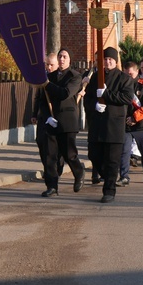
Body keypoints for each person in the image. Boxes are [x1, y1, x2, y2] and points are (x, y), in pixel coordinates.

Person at [84, 47, 134, 203]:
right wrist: (94, 105)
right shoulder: (96, 78)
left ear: (116, 61)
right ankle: (109, 177)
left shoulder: (124, 79)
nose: (107, 62)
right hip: (97, 124)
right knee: (94, 155)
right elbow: (88, 98)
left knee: (112, 160)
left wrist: (106, 94)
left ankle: (109, 190)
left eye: (110, 59)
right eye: (105, 59)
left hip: (114, 125)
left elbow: (126, 98)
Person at [32, 50, 85, 197]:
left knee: (69, 154)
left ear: (69, 60)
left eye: (65, 57)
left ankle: (79, 172)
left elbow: (65, 93)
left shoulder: (75, 77)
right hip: (51, 121)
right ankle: (52, 185)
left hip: (67, 121)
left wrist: (48, 85)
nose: (62, 59)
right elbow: (42, 99)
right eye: (60, 56)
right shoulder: (49, 77)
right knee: (50, 156)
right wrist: (47, 116)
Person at [118, 62, 143, 186]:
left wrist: (135, 118)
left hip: (141, 123)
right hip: (125, 123)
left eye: (130, 74)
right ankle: (124, 176)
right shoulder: (121, 84)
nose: (128, 76)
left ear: (136, 72)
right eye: (126, 74)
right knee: (125, 150)